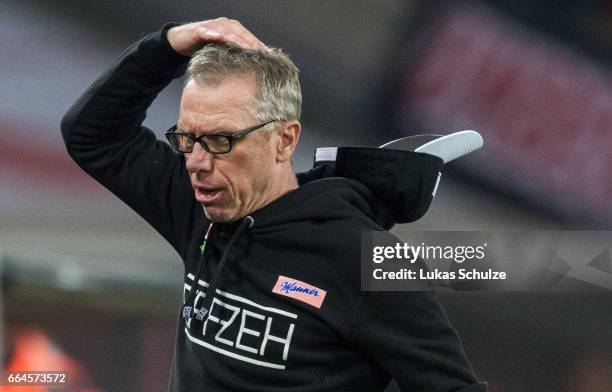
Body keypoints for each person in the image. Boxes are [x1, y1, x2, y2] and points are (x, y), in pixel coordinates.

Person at [61, 18, 487, 392]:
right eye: (187, 139)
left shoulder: (366, 259)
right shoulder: (201, 206)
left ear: (285, 140)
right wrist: (168, 44)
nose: (196, 163)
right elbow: (92, 135)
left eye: (220, 141)